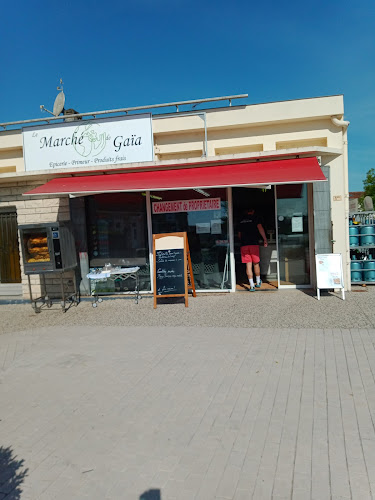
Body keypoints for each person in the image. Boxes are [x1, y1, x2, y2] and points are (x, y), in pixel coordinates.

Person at [238, 208, 268, 291]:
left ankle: (251, 285)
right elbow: (260, 228)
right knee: (256, 263)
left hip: (244, 245)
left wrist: (243, 241)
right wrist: (265, 239)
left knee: (248, 265)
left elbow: (239, 235)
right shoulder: (255, 218)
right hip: (253, 244)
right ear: (253, 211)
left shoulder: (241, 220)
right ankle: (258, 282)